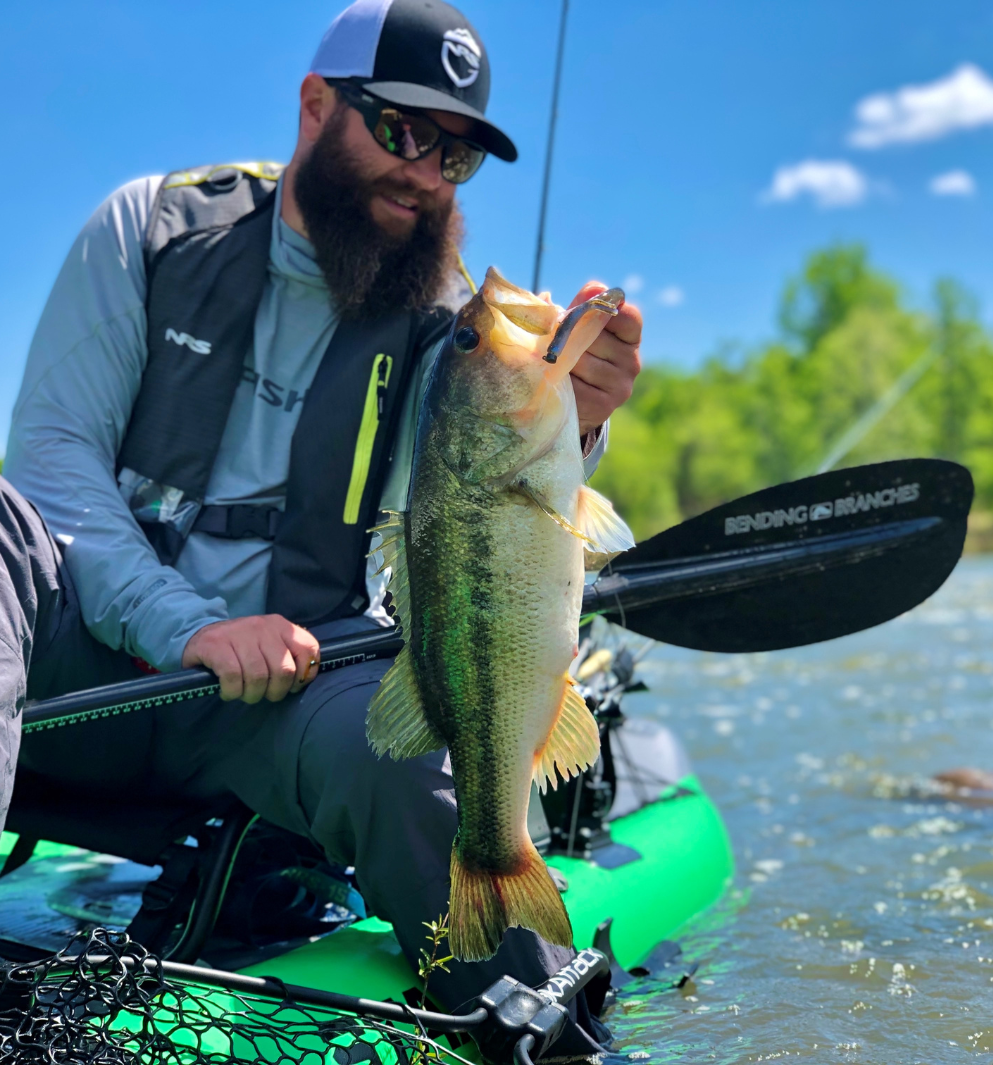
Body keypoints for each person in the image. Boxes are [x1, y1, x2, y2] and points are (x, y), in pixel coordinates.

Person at [0, 0, 641, 1059]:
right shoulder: (149, 226)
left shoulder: (446, 326)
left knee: (422, 779)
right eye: (402, 129)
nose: (426, 173)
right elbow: (53, 464)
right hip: (80, 682)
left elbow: (486, 498)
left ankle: (539, 1017)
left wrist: (578, 416)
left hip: (291, 703)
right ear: (314, 105)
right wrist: (186, 626)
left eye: (456, 155)